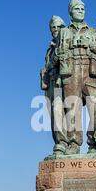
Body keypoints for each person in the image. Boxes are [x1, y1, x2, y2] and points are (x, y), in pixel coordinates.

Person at [54, 0, 96, 156]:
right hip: (70, 73)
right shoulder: (63, 32)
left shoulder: (94, 32)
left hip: (90, 73)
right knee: (72, 110)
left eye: (82, 9)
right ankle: (74, 143)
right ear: (70, 12)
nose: (80, 11)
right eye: (77, 9)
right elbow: (55, 58)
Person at [40, 15, 68, 155]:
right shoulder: (50, 47)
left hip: (62, 83)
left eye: (59, 26)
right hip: (50, 85)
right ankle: (59, 143)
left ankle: (64, 143)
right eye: (53, 27)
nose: (56, 29)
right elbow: (49, 64)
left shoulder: (66, 44)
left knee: (61, 112)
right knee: (54, 117)